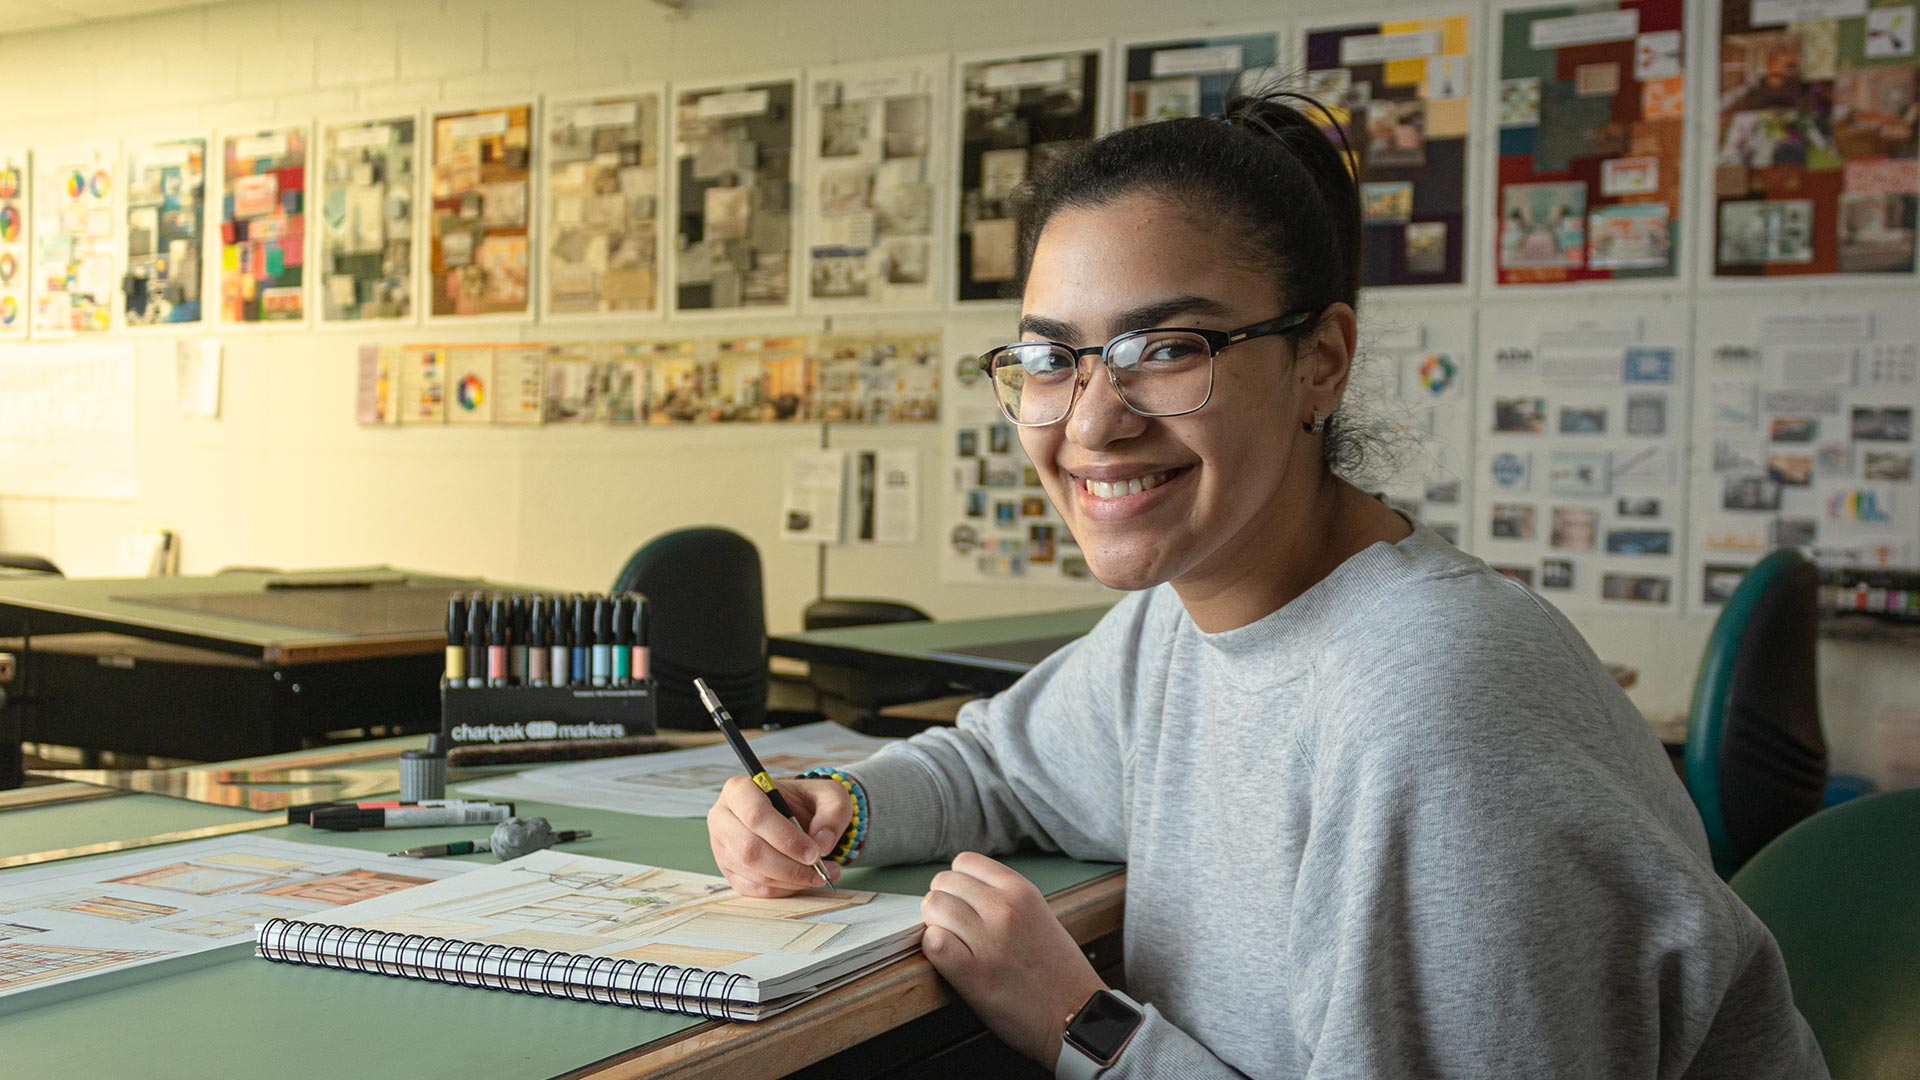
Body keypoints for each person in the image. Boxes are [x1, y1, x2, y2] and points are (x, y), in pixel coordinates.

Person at [706, 91, 1827, 1079]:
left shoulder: (1431, 706)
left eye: (1168, 348)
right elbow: (1005, 764)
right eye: (1052, 358)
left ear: (1321, 363)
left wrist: (1082, 1024)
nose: (1092, 420)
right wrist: (839, 811)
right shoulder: (1176, 627)